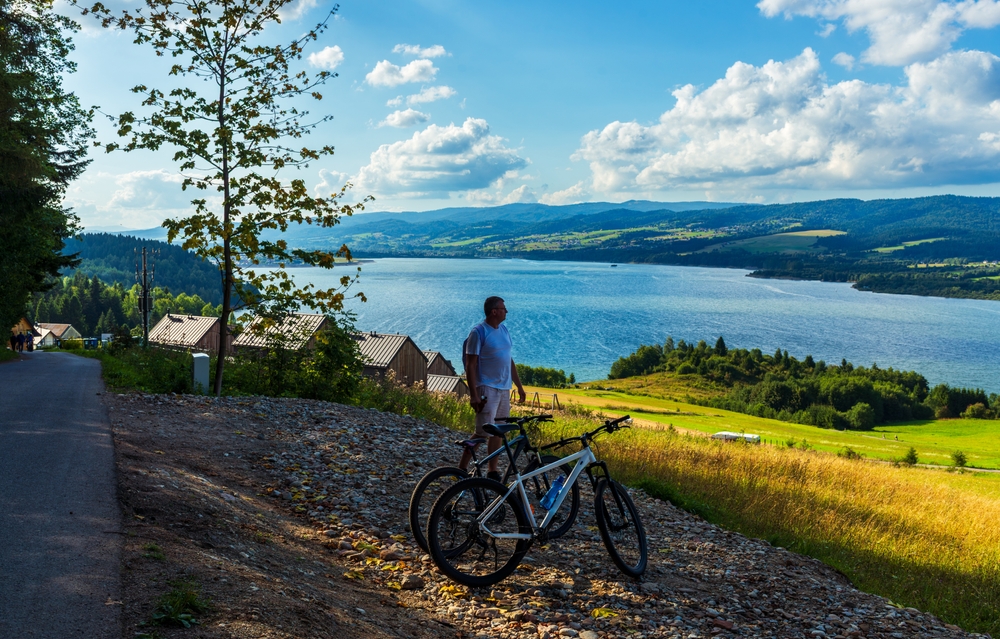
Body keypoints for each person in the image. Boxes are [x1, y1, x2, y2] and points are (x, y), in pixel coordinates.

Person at [461, 296, 527, 481]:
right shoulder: (478, 332)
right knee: (482, 432)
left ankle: (492, 471)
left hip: (504, 389)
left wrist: (519, 386)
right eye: (503, 308)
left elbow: (508, 359)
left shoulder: (504, 330)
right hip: (486, 389)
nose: (506, 311)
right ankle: (462, 468)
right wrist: (473, 394)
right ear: (494, 311)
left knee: (498, 430)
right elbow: (470, 365)